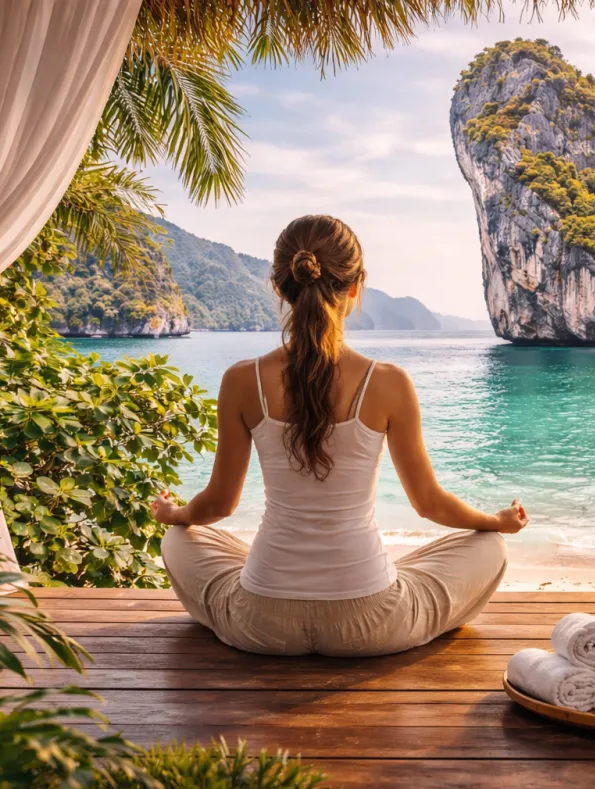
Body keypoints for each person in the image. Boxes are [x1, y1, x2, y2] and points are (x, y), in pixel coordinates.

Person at [153, 214, 527, 657]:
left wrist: (173, 514)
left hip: (261, 622)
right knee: (491, 547)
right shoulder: (389, 382)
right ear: (355, 287)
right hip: (370, 622)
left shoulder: (242, 380)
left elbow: (218, 505)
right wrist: (496, 522)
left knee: (180, 538)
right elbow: (429, 504)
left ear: (280, 286)